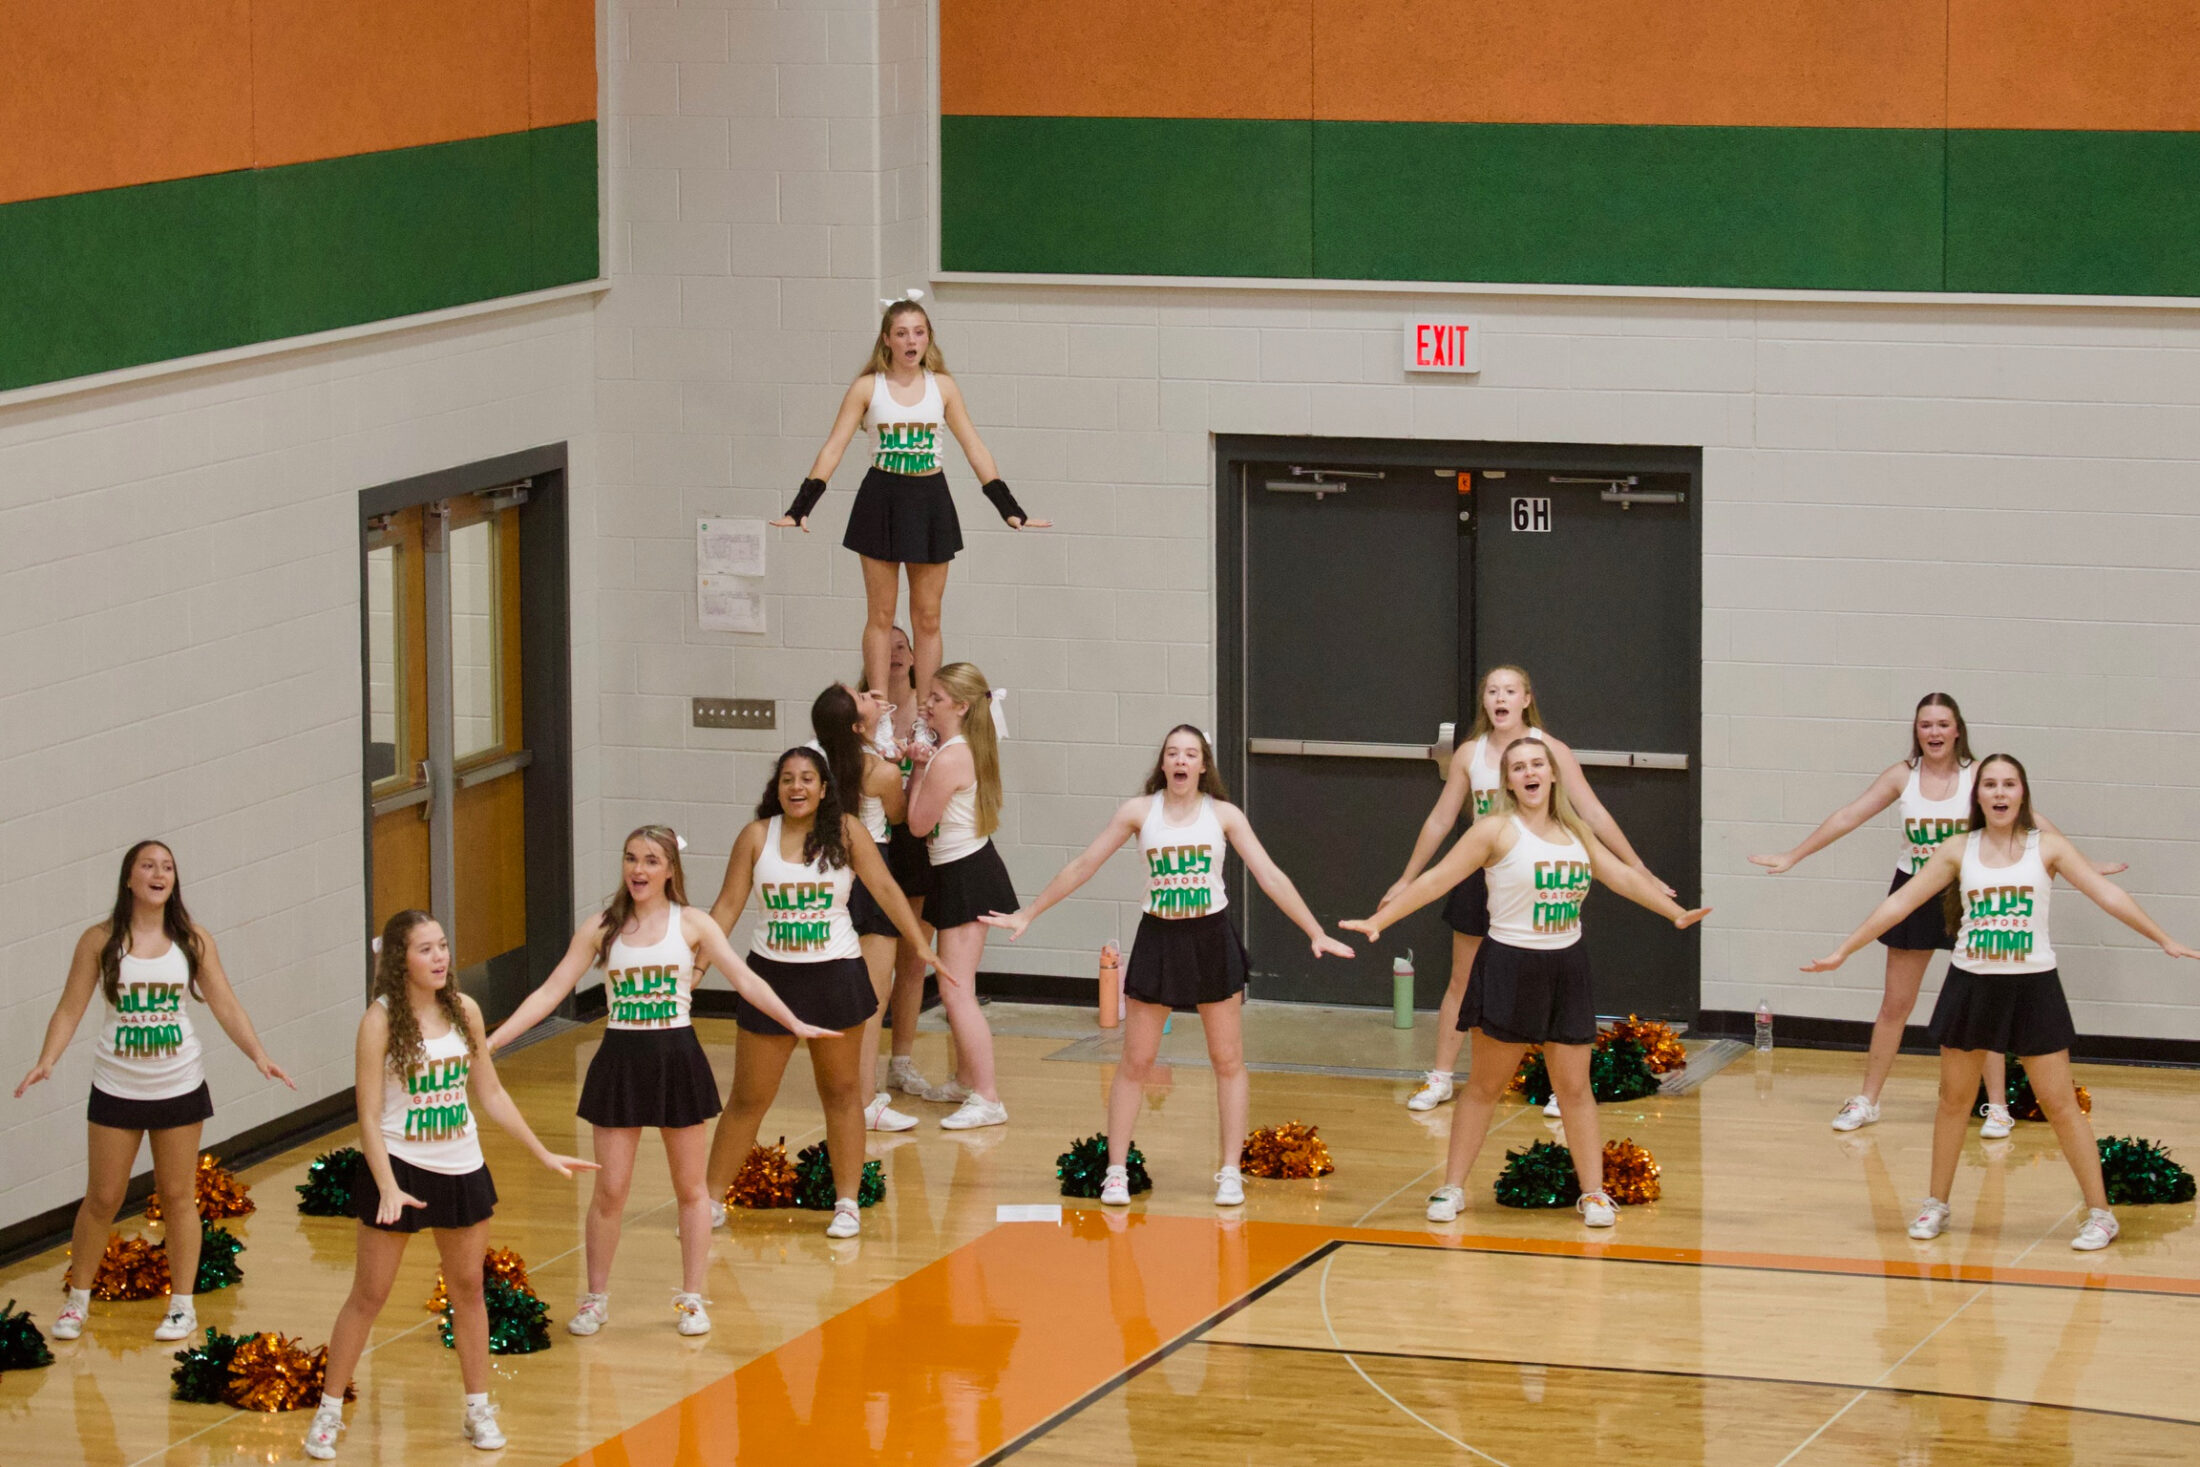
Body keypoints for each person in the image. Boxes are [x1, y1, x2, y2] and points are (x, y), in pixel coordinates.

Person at [1802, 753, 2196, 1251]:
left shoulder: (2046, 846)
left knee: (2060, 1104)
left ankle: (2100, 1214)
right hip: (1971, 985)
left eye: (2009, 784)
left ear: (2022, 793)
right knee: (1953, 1102)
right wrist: (1844, 950)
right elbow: (1901, 902)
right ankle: (1936, 1204)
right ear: (1979, 796)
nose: (1999, 792)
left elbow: (2106, 895)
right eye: (1990, 784)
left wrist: (2162, 938)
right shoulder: (1957, 849)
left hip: (2033, 987)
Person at [1343, 738, 1709, 1229]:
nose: (1529, 772)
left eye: (1537, 764)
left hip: (1567, 967)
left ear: (1553, 774)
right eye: (1518, 767)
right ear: (1509, 782)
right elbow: (1437, 879)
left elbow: (1622, 877)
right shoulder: (1494, 830)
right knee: (1484, 1087)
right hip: (1509, 965)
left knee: (1575, 1089)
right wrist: (1380, 920)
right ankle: (1451, 1188)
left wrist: (1674, 914)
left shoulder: (1576, 832)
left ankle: (1594, 1194)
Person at [487, 826, 833, 1337]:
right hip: (620, 1061)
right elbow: (550, 992)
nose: (639, 869)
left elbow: (745, 979)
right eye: (631, 858)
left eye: (651, 860)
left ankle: (692, 1298)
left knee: (691, 1190)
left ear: (671, 869)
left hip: (677, 1059)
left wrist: (794, 1021)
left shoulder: (692, 924)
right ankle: (595, 1299)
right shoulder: (602, 928)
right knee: (610, 1190)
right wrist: (494, 1041)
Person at [984, 726, 1352, 1205]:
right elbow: (1084, 865)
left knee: (1227, 1061)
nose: (1181, 760)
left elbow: (1270, 875)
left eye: (1190, 754)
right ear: (1163, 763)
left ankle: (1229, 1172)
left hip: (1211, 939)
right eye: (1173, 753)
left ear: (1203, 766)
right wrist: (1029, 913)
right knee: (1136, 1061)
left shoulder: (1224, 815)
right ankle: (1116, 1172)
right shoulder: (1139, 812)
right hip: (1159, 939)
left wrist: (1315, 930)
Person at [1752, 693, 2121, 1134]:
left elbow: (2033, 819)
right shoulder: (1902, 775)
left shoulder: (1977, 776)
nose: (1934, 732)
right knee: (1895, 1005)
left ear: (1957, 729)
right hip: (1915, 889)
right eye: (1925, 724)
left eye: (1942, 724)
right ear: (1917, 730)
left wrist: (2085, 864)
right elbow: (1849, 815)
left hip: (1972, 890)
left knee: (1986, 1002)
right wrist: (1794, 854)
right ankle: (1867, 1100)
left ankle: (1996, 1106)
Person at [303, 911, 595, 1459]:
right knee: (369, 1295)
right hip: (399, 1165)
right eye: (426, 949)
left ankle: (478, 1409)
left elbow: (492, 1093)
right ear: (400, 961)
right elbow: (367, 1114)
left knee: (468, 1291)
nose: (440, 957)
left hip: (461, 1167)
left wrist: (542, 1151)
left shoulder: (466, 1010)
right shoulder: (378, 1021)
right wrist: (387, 1185)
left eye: (442, 946)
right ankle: (328, 1412)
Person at [16, 840, 293, 1344]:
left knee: (177, 1196)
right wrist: (47, 1059)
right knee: (103, 1197)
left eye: (167, 866)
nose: (158, 873)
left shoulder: (193, 940)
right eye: (148, 865)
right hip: (116, 1086)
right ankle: (77, 1301)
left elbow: (225, 1003)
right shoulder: (99, 940)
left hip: (179, 1085)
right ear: (129, 878)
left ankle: (181, 1307)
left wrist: (258, 1054)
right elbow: (70, 1007)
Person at [1386, 666, 1670, 1116]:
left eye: (1509, 690)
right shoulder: (1469, 754)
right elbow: (1440, 819)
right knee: (1462, 980)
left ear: (1526, 698)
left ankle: (1562, 1087)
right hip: (1483, 874)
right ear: (1485, 701)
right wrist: (1407, 878)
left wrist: (1639, 868)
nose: (1500, 698)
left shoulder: (1550, 750)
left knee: (1546, 980)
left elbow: (1592, 811)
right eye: (1492, 691)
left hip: (1535, 877)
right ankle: (1441, 1076)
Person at [700, 746, 942, 1237]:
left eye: (807, 778)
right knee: (748, 1097)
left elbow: (887, 890)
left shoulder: (848, 832)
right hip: (771, 980)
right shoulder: (755, 836)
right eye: (788, 778)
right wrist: (696, 966)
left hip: (835, 976)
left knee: (842, 1094)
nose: (797, 787)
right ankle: (705, 1203)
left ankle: (846, 1203)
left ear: (824, 788)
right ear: (777, 788)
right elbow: (726, 906)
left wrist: (920, 946)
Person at [774, 294, 1048, 707]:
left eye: (918, 332)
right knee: (881, 616)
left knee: (928, 617)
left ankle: (925, 711)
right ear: (887, 339)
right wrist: (801, 507)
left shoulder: (943, 387)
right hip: (881, 497)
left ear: (928, 337)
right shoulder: (868, 387)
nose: (910, 341)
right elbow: (834, 447)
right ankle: (880, 711)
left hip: (929, 498)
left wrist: (1009, 507)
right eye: (901, 333)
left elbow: (974, 447)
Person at [902, 662, 1016, 1129]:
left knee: (955, 991)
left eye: (936, 698)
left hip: (967, 873)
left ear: (962, 707)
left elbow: (916, 824)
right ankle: (967, 1080)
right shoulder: (957, 749)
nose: (927, 704)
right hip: (958, 871)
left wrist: (917, 768)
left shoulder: (950, 757)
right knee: (957, 988)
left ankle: (988, 1097)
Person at [810, 683, 928, 1132]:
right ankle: (865, 1100)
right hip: (871, 872)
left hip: (832, 877)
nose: (871, 694)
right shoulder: (878, 772)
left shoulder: (817, 763)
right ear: (857, 727)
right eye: (861, 698)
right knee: (873, 999)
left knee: (844, 994)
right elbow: (900, 818)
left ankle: (851, 1094)